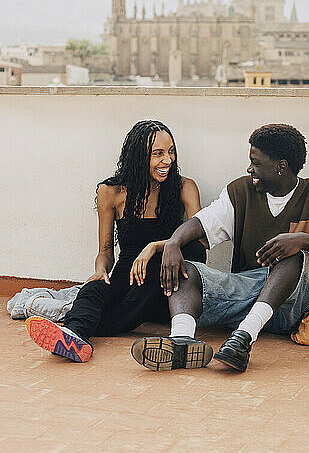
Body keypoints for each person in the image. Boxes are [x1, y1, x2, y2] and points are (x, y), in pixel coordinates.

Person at [131, 123, 309, 372]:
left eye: (256, 163)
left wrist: (301, 240)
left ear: (281, 166)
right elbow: (201, 223)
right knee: (187, 270)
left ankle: (243, 339)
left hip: (295, 302)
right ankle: (181, 341)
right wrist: (173, 243)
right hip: (247, 295)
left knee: (292, 255)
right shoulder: (240, 191)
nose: (250, 168)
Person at [25, 120, 207, 363]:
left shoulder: (185, 187)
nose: (168, 160)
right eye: (158, 154)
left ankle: (80, 325)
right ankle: (74, 335)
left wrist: (154, 247)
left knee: (186, 254)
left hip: (165, 275)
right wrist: (100, 271)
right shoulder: (111, 192)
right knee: (92, 290)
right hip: (128, 270)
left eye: (171, 151)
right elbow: (105, 251)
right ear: (137, 156)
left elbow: (201, 238)